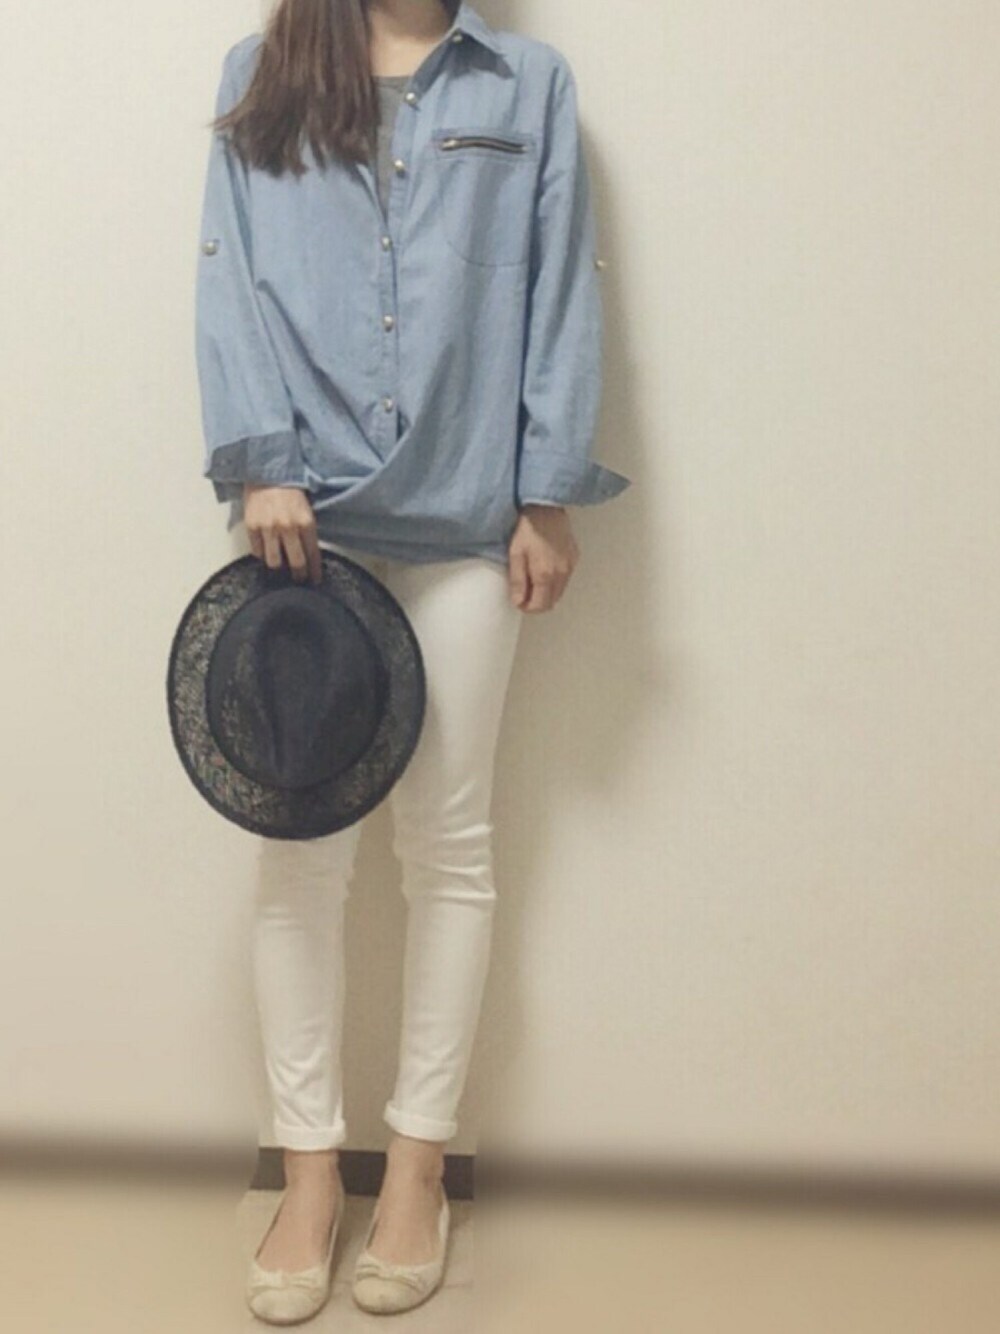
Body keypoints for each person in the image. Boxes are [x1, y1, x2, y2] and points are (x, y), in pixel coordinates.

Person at [194, 0, 631, 1319]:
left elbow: (561, 287)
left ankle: (418, 1172)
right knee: (299, 850)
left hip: (466, 519)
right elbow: (228, 272)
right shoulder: (264, 72)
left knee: (449, 847)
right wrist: (262, 461)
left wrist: (546, 493)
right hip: (304, 529)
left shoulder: (530, 85)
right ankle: (309, 1175)